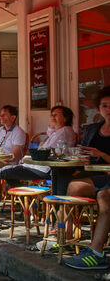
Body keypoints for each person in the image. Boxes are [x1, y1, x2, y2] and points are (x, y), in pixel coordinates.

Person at [0, 106, 77, 183]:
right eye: (51, 115)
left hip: (43, 169)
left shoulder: (65, 132)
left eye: (56, 115)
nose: (52, 117)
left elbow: (44, 150)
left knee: (4, 170)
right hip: (36, 166)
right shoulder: (0, 130)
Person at [62, 86, 110, 270]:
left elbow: (98, 154)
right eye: (105, 106)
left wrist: (102, 154)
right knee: (72, 187)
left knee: (104, 197)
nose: (109, 110)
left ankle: (96, 253)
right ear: (98, 109)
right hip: (95, 175)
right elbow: (83, 150)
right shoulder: (92, 129)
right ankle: (64, 235)